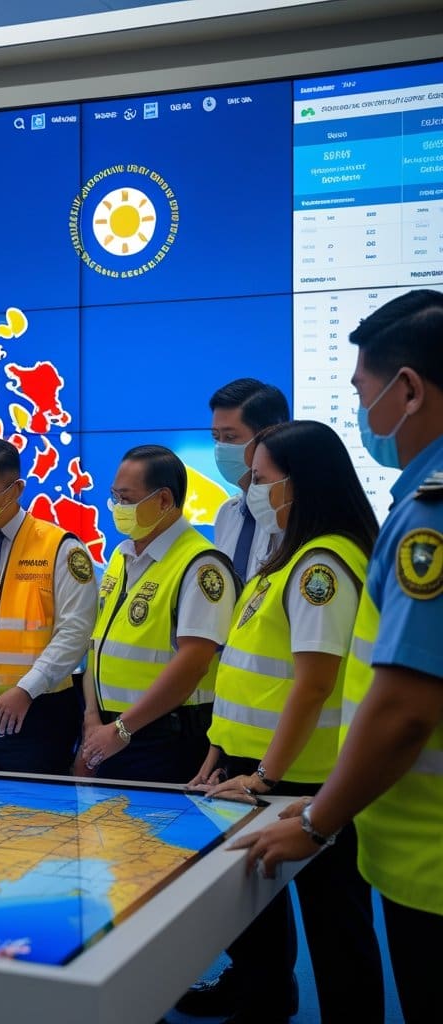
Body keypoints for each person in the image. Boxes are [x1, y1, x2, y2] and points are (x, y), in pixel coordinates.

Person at [232, 289, 443, 1024]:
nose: (365, 411)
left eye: (362, 389)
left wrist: (319, 821)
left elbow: (407, 709)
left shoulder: (427, 518)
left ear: (407, 389)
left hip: (430, 854)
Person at [179, 420, 383, 1024]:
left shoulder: (322, 564)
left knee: (336, 927)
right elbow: (249, 666)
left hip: (299, 778)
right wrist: (221, 752)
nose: (249, 491)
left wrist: (266, 775)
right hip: (252, 768)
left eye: (261, 478)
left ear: (301, 483)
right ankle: (262, 1005)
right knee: (257, 920)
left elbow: (315, 684)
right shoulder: (284, 555)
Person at [78, 445, 237, 782]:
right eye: (114, 497)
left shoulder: (200, 564)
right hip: (109, 732)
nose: (117, 507)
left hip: (166, 736)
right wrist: (92, 717)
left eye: (126, 498)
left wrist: (122, 728)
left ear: (164, 500)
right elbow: (97, 644)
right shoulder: (121, 557)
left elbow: (193, 664)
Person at [0, 439, 95, 775]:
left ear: (16, 489)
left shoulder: (60, 547)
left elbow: (75, 632)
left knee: (42, 821)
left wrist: (27, 689)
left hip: (39, 710)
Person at [210, 378, 290, 582]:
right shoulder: (227, 514)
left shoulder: (296, 515)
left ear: (271, 436)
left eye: (230, 438)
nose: (220, 448)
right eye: (215, 437)